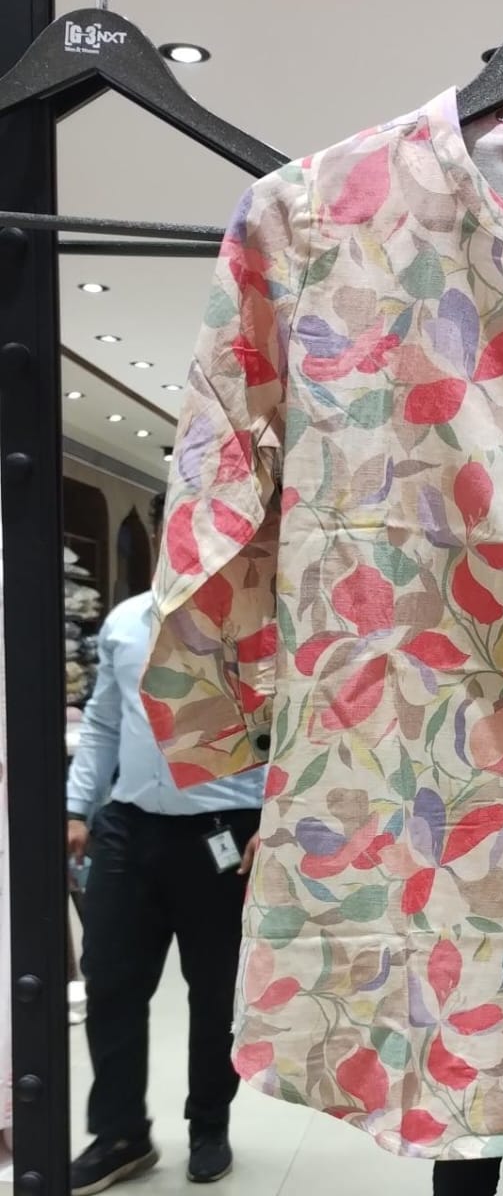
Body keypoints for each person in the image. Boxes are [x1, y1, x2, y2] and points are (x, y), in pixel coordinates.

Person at [65, 493, 265, 1195]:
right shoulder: (125, 621)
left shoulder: (254, 623)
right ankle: (120, 1134)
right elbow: (103, 723)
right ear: (159, 532)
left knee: (213, 993)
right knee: (112, 981)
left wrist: (275, 821)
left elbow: (292, 730)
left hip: (224, 833)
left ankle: (209, 1123)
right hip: (128, 826)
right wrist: (76, 806)